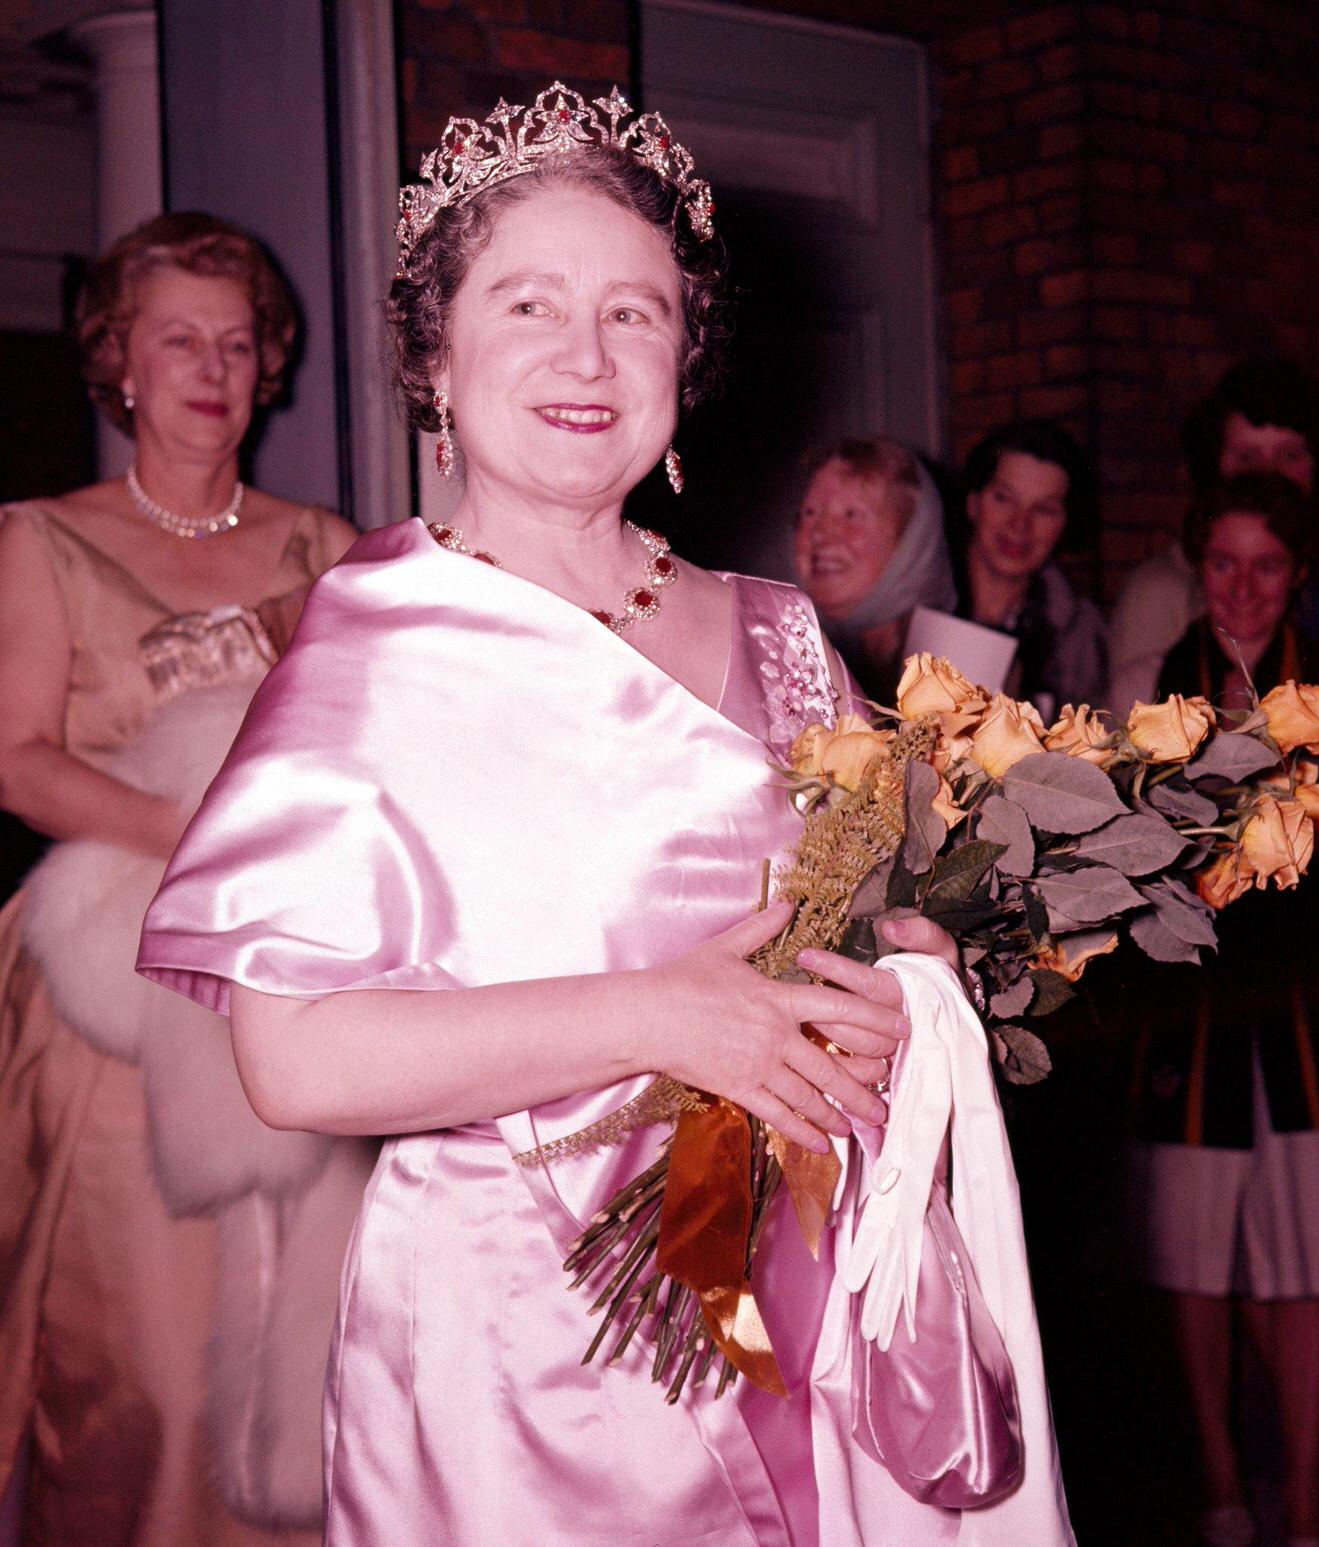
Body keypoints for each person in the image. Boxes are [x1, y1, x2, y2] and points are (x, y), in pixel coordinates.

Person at [135, 86, 1074, 1545]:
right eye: (528, 304)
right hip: (514, 1347)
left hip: (791, 1289)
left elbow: (880, 914)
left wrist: (907, 993)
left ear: (685, 361)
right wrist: (663, 1016)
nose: (587, 355)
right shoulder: (371, 644)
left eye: (636, 313)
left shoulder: (784, 635)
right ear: (436, 357)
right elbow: (294, 1055)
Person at [0, 213, 360, 1546]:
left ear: (269, 363)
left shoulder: (325, 543)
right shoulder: (40, 535)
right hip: (113, 1007)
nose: (211, 366)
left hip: (295, 997)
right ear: (119, 362)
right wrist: (198, 831)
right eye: (177, 339)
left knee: (300, 1357)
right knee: (142, 1369)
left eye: (236, 339)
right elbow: (21, 763)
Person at [1115, 472, 1319, 1547]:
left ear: (1298, 575)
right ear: (1196, 566)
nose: (1241, 587)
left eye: (1267, 564)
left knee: (1314, 1255)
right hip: (1189, 1009)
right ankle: (1223, 1477)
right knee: (1196, 1255)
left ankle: (1299, 1505)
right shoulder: (1147, 684)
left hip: (1309, 1009)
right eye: (1221, 561)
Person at [1109, 358, 1319, 681]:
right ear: (1214, 466)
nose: (1269, 474)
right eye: (1247, 457)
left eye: (1290, 455)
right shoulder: (1158, 595)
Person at [955, 417, 1105, 718]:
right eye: (1003, 499)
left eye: (1044, 509)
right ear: (973, 502)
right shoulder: (912, 607)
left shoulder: (1077, 635)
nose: (1019, 523)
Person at [791, 435, 956, 703]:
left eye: (851, 514)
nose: (820, 533)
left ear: (911, 539)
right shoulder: (798, 653)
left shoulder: (961, 671)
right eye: (809, 513)